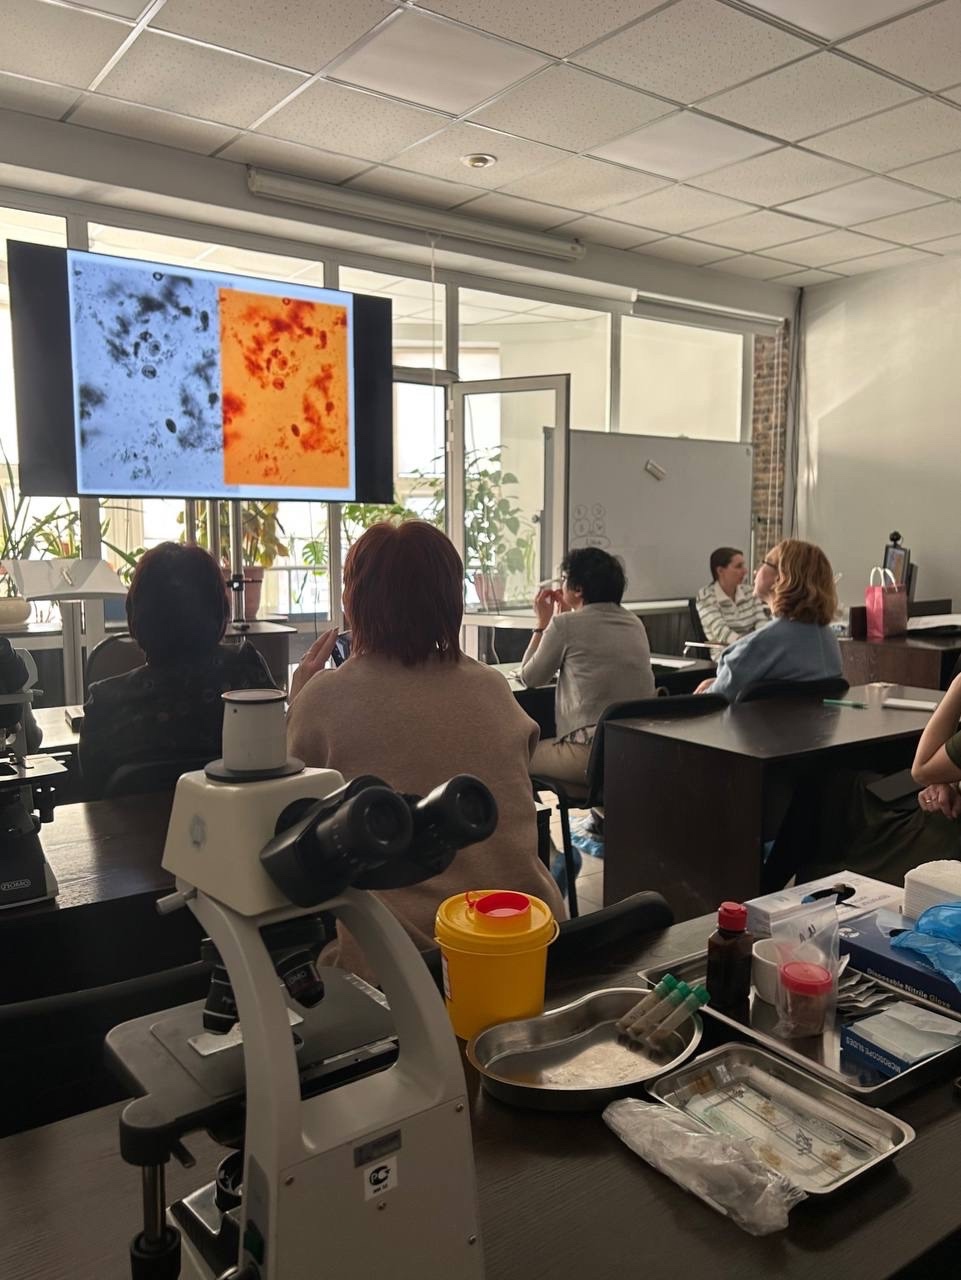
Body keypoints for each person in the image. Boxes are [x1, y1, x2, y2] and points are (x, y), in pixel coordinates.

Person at [286, 520, 565, 979]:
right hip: (531, 943)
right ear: (452, 601)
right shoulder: (492, 687)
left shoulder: (324, 698)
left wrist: (298, 700)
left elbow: (288, 815)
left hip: (403, 964)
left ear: (352, 601)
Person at [79, 542, 275, 797]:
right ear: (220, 610)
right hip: (243, 822)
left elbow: (93, 799)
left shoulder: (105, 704)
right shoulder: (247, 672)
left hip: (137, 824)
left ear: (135, 615)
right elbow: (279, 761)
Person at [770, 675, 961, 887]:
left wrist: (959, 684)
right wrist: (946, 779)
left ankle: (768, 887)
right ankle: (771, 886)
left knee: (825, 789)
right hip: (940, 791)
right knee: (835, 780)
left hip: (947, 823)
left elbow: (922, 770)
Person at [518, 546, 655, 789]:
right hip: (634, 752)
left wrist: (542, 623)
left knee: (513, 756)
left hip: (589, 756)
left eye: (564, 579)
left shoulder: (565, 625)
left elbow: (530, 677)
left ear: (578, 589)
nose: (561, 585)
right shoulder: (634, 622)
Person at [695, 538, 842, 703]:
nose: (754, 571)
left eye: (764, 563)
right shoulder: (829, 639)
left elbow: (710, 702)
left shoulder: (759, 646)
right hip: (803, 720)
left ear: (781, 577)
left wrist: (715, 685)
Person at [695, 546, 769, 645]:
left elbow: (761, 621)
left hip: (755, 647)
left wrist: (763, 641)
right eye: (738, 566)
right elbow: (720, 631)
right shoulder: (706, 596)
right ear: (720, 571)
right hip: (727, 651)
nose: (745, 571)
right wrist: (748, 644)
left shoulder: (749, 591)